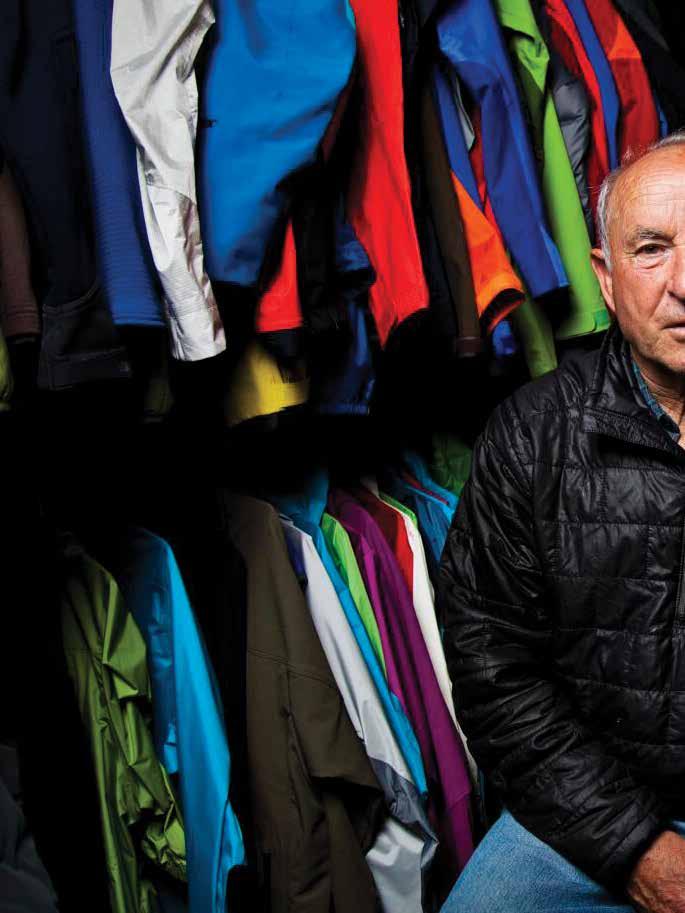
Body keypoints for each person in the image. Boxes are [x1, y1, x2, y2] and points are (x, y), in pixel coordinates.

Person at [438, 130, 685, 913]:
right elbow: (494, 667)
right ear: (604, 279)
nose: (682, 283)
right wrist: (633, 846)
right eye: (651, 249)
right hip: (594, 800)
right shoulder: (533, 433)